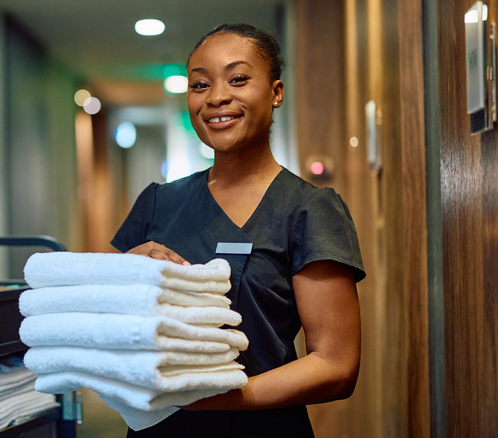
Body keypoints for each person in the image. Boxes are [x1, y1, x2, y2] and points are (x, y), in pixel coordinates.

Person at [111, 23, 365, 437]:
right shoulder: (159, 201)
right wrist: (122, 273)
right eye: (199, 84)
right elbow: (107, 317)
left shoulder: (308, 209)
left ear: (276, 92)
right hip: (156, 426)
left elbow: (336, 366)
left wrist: (223, 397)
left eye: (238, 79)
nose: (216, 98)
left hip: (259, 427)